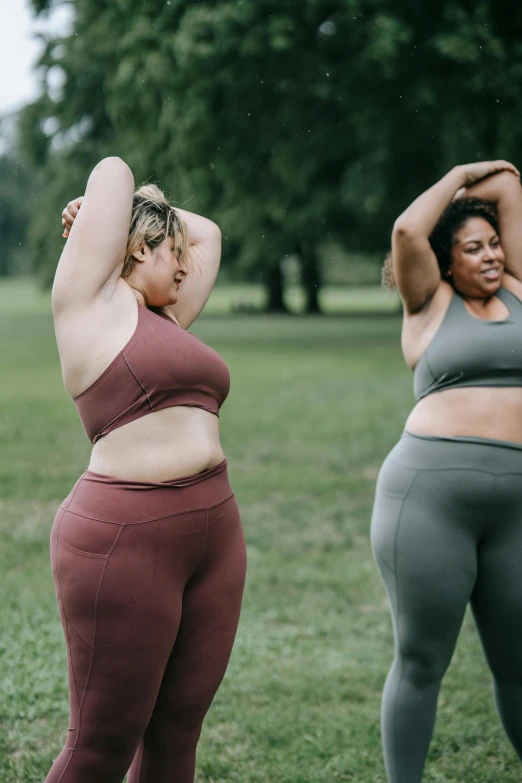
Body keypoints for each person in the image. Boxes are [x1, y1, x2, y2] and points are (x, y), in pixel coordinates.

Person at [45, 156, 247, 783]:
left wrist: (150, 220)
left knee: (176, 735)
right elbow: (113, 169)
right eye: (172, 252)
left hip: (213, 538)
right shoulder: (89, 309)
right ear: (135, 247)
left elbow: (208, 231)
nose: (187, 265)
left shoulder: (168, 319)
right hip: (125, 539)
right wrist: (98, 212)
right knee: (100, 747)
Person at [371, 159, 522, 782]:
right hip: (430, 499)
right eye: (471, 248)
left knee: (517, 662)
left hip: (517, 509)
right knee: (422, 659)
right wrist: (463, 173)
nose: (489, 256)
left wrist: (477, 198)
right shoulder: (427, 304)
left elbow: (510, 185)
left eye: (493, 244)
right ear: (445, 259)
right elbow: (409, 230)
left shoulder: (518, 285)